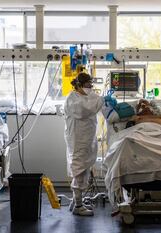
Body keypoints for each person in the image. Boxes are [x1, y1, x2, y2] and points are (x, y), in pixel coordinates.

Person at [64, 72, 104, 216]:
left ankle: (76, 201)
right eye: (88, 85)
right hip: (77, 139)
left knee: (84, 168)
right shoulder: (72, 99)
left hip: (87, 138)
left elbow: (94, 100)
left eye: (91, 84)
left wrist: (103, 99)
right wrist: (102, 101)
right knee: (79, 170)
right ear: (79, 85)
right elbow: (84, 111)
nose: (90, 87)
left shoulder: (86, 95)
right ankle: (78, 206)